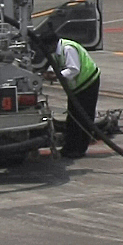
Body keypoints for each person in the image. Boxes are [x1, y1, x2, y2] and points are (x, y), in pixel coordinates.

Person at [31, 21, 101, 158]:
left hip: (88, 82)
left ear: (51, 44)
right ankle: (70, 146)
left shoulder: (68, 48)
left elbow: (74, 69)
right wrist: (50, 72)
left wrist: (56, 76)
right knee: (73, 117)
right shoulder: (58, 50)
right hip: (77, 86)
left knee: (83, 117)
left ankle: (80, 148)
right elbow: (56, 64)